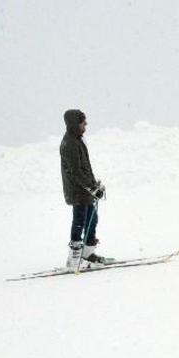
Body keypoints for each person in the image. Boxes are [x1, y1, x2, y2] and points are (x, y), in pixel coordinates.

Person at [60, 109, 106, 271]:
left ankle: (87, 254)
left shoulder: (77, 140)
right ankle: (74, 260)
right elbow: (76, 172)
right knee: (79, 222)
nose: (86, 124)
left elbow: (84, 168)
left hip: (85, 190)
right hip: (77, 191)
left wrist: (94, 185)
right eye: (82, 121)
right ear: (75, 123)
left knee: (92, 220)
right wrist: (92, 187)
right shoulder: (69, 144)